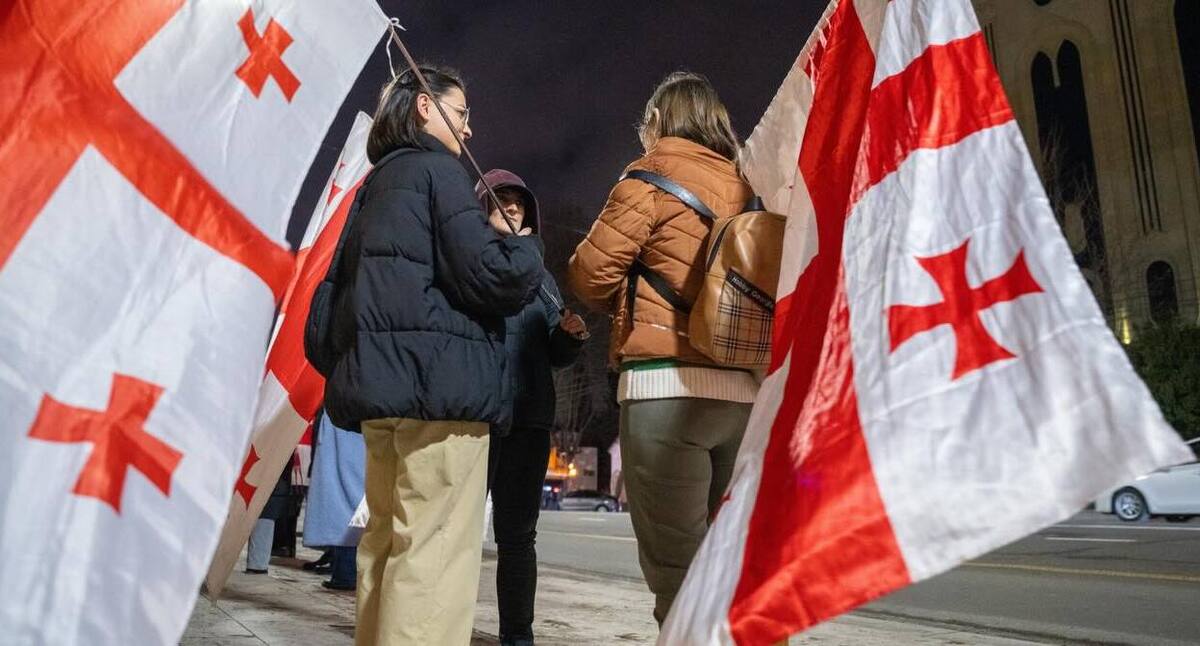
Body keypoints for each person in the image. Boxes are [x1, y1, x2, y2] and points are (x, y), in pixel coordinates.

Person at [319, 65, 545, 646]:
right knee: (434, 556)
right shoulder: (438, 174)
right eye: (463, 112)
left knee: (386, 547)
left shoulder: (374, 186)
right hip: (442, 399)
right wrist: (526, 252)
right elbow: (491, 276)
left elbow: (330, 305)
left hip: (381, 400)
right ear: (426, 106)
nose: (468, 130)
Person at [566, 71, 758, 625]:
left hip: (665, 391)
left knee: (680, 579)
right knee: (730, 570)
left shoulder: (647, 181)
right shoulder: (750, 188)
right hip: (741, 396)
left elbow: (590, 274)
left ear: (659, 121)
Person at [475, 169, 588, 646]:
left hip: (528, 423)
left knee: (518, 538)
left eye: (519, 201)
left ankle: (517, 635)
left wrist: (568, 336)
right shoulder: (469, 260)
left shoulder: (541, 279)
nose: (513, 207)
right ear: (481, 208)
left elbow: (553, 354)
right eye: (502, 199)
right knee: (454, 536)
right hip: (475, 418)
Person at [302, 409, 365, 592]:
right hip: (360, 432)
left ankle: (345, 572)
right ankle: (345, 570)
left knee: (343, 508)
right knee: (352, 506)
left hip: (343, 427)